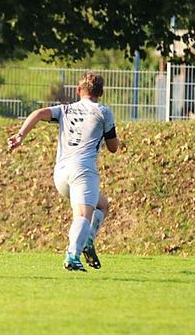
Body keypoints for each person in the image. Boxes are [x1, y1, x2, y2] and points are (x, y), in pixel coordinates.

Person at [7, 71, 119, 272]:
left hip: (60, 173)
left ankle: (87, 239)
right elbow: (113, 147)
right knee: (82, 215)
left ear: (78, 90)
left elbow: (38, 113)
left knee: (102, 205)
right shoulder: (103, 112)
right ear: (101, 92)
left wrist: (20, 135)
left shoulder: (65, 109)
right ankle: (72, 256)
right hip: (83, 170)